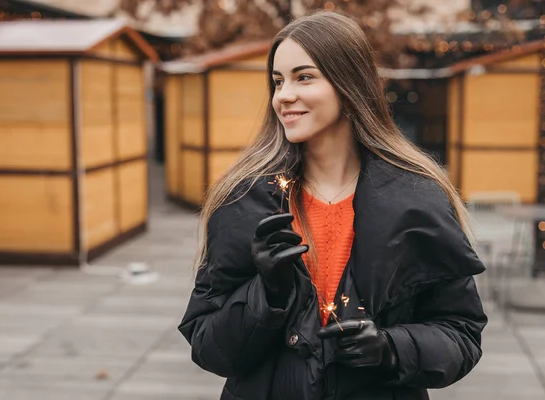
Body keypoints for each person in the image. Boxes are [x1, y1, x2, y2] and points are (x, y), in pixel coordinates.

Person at [179, 10, 487, 400]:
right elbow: (207, 345)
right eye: (277, 81)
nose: (284, 95)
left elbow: (461, 332)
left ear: (348, 83)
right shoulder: (245, 199)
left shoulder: (417, 200)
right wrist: (266, 295)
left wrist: (392, 348)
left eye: (303, 77)